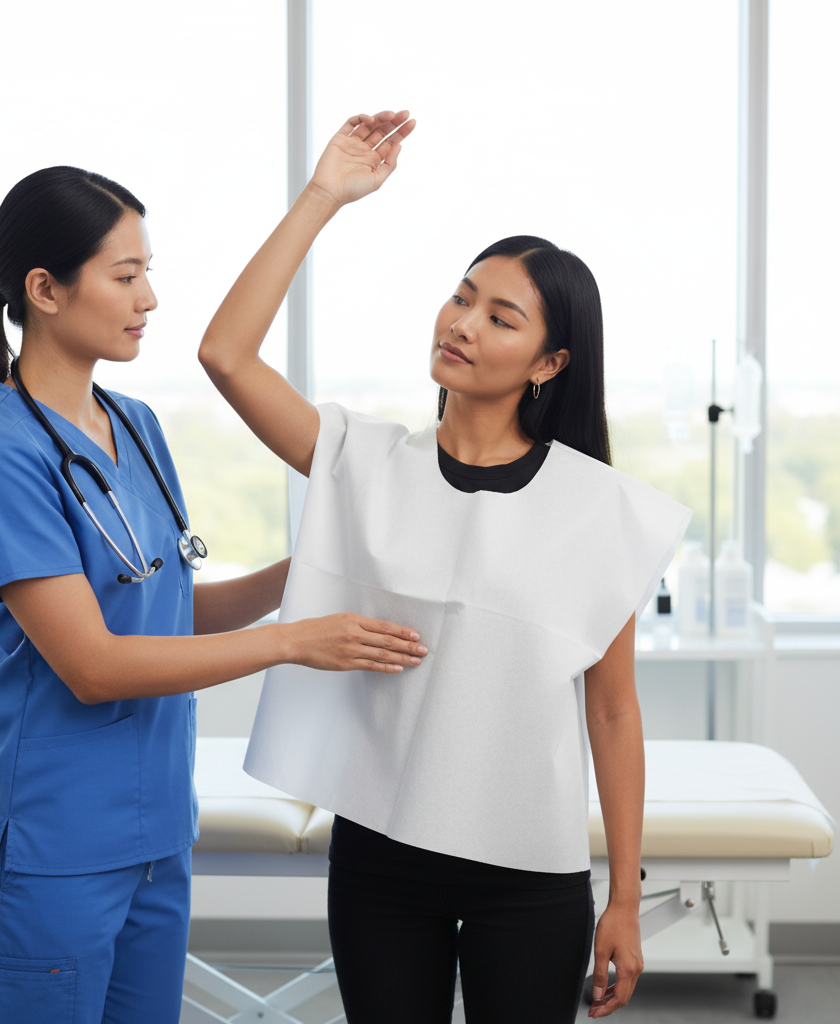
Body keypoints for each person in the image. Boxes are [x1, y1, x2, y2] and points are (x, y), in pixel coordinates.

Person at [198, 111, 691, 1022]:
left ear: (550, 362)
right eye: (461, 296)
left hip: (531, 874)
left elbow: (614, 709)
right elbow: (225, 355)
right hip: (383, 859)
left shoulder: (600, 509)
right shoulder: (364, 460)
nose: (462, 323)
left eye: (499, 317)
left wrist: (624, 895)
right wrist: (323, 197)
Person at [0, 165, 427, 1024]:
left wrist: (303, 575)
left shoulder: (135, 426)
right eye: (125, 276)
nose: (149, 298)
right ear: (44, 289)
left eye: (147, 272)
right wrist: (292, 643)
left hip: (157, 836)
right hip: (52, 846)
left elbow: (162, 611)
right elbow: (92, 663)